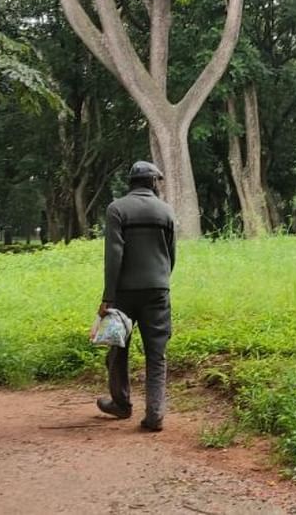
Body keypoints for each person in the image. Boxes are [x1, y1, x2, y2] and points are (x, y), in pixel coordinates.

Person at [96, 160, 177, 432]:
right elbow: (171, 255)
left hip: (124, 293)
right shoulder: (165, 211)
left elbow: (114, 255)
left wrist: (108, 296)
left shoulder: (117, 209)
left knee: (118, 348)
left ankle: (121, 404)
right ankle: (155, 414)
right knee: (157, 353)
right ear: (153, 182)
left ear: (131, 182)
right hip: (158, 291)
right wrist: (160, 282)